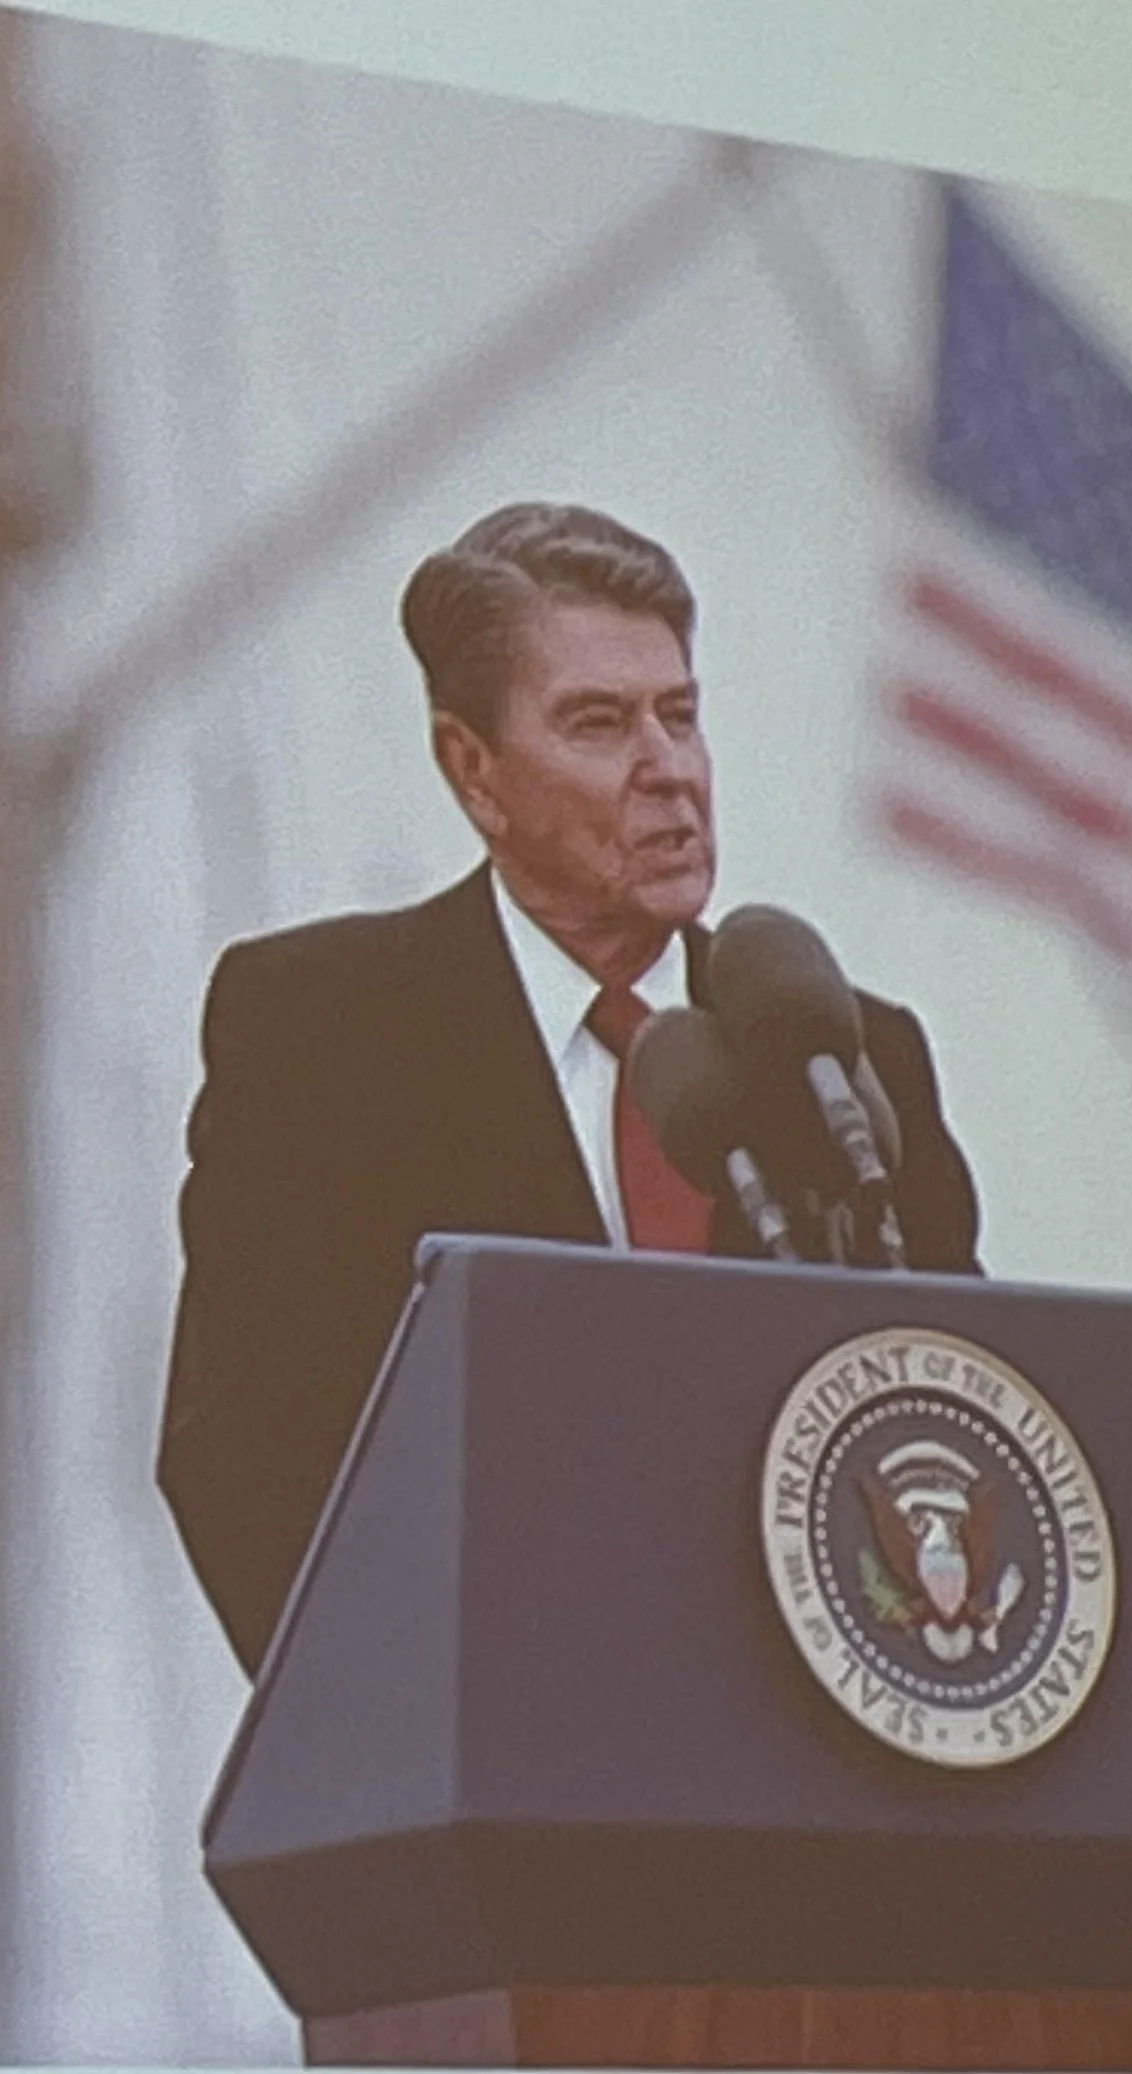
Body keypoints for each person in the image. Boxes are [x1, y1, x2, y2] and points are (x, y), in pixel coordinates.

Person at [156, 502, 984, 1679]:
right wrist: (420, 1745)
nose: (669, 773)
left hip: (818, 1798)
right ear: (473, 769)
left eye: (681, 716)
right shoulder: (318, 1033)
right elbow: (244, 1455)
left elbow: (956, 1419)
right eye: (599, 725)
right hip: (486, 1786)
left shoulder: (839, 1054)